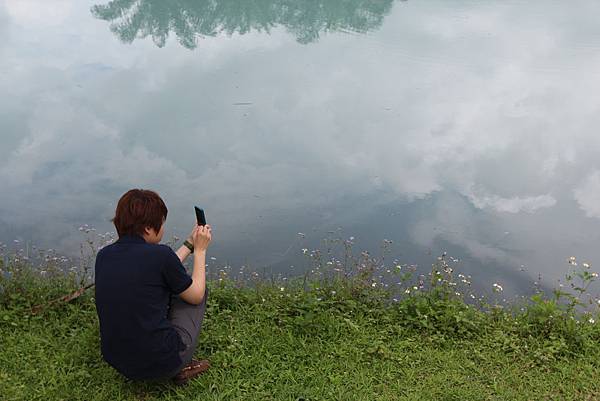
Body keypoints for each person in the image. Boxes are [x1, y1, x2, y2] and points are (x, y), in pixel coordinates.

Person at [94, 188, 212, 385]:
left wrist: (190, 244)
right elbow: (196, 295)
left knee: (170, 282)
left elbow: (160, 268)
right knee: (196, 287)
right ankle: (179, 365)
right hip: (160, 363)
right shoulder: (160, 255)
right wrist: (200, 251)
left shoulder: (104, 255)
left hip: (118, 362)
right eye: (162, 223)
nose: (163, 228)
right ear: (149, 228)